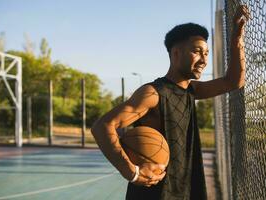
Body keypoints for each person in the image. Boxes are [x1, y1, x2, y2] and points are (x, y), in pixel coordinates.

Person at [91, 5, 250, 200]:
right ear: (176, 54)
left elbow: (234, 81)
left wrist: (236, 38)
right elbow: (103, 126)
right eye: (197, 51)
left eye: (207, 53)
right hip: (154, 193)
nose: (203, 59)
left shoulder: (191, 90)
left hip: (185, 189)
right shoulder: (153, 93)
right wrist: (131, 172)